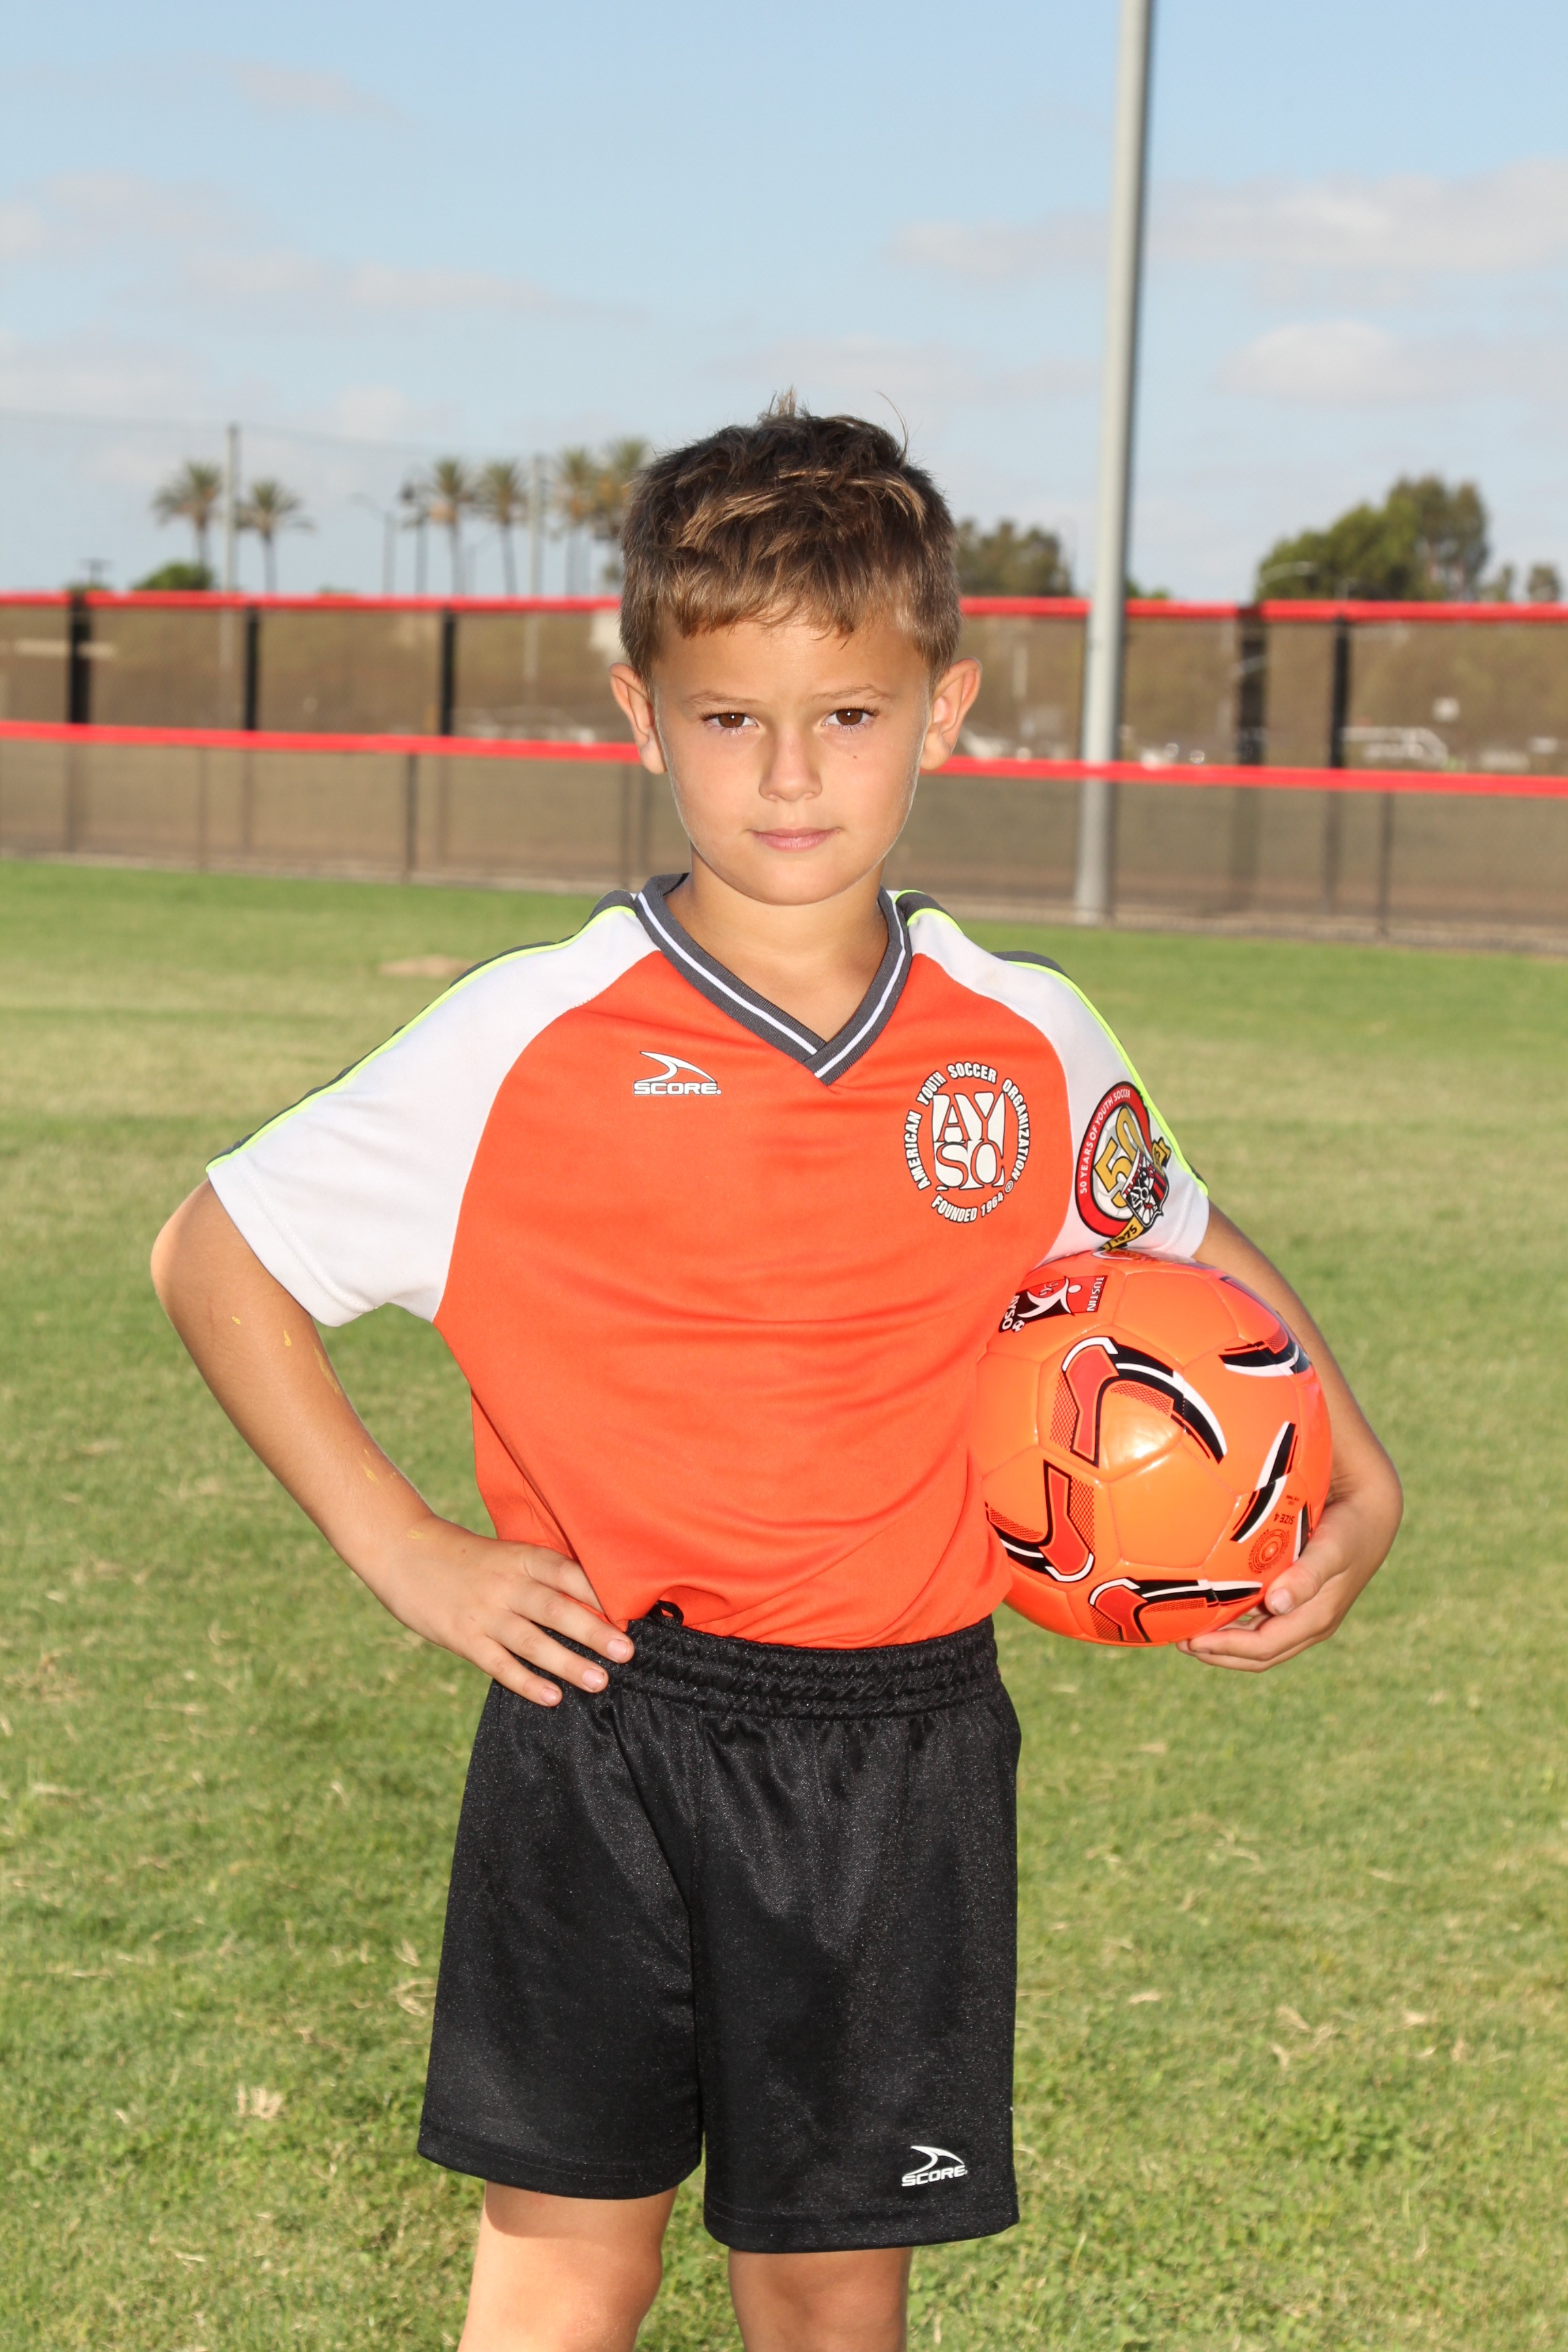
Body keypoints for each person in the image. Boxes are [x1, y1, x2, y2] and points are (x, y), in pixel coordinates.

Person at [151, 399, 1402, 2352]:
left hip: (902, 1751)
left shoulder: (1024, 1036)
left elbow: (1182, 1242)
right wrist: (405, 1548)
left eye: (849, 715)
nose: (791, 773)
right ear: (642, 716)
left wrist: (1355, 1475)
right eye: (732, 717)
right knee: (568, 2260)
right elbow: (214, 1253)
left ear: (947, 709)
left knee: (827, 2289)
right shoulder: (529, 1039)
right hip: (607, 1723)